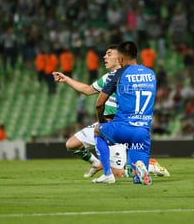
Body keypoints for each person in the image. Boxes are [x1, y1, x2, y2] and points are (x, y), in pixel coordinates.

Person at [52, 45, 127, 178]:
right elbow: (87, 90)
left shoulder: (128, 78)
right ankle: (95, 162)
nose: (105, 57)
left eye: (109, 54)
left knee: (118, 174)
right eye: (105, 54)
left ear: (119, 58)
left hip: (118, 127)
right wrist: (66, 79)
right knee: (71, 144)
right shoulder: (108, 77)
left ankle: (150, 166)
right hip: (104, 125)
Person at [93, 41, 157, 185]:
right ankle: (139, 169)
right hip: (143, 131)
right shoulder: (150, 73)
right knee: (137, 179)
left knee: (97, 131)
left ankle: (107, 174)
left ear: (121, 58)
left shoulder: (118, 74)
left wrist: (102, 120)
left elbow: (99, 103)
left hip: (123, 127)